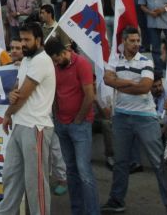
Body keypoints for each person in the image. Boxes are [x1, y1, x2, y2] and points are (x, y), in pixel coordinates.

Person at [101, 26, 167, 214]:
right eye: (132, 41)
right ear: (123, 41)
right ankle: (117, 201)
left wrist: (121, 84)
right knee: (121, 162)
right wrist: (132, 82)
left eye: (138, 40)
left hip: (146, 117)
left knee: (158, 162)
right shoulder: (114, 59)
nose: (136, 44)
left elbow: (145, 87)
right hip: (121, 116)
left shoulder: (145, 61)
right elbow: (107, 80)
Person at [0, 22, 56, 215]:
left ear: (38, 40)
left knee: (35, 183)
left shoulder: (41, 60)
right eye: (21, 39)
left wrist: (7, 113)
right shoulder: (26, 60)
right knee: (11, 177)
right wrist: (12, 95)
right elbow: (17, 89)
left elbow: (23, 95)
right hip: (21, 124)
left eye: (27, 40)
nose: (23, 43)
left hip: (35, 127)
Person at [45, 38, 98, 215]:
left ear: (63, 52)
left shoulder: (81, 64)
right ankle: (77, 210)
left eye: (57, 59)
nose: (56, 63)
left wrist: (79, 119)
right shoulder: (56, 66)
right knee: (72, 172)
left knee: (84, 172)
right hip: (63, 123)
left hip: (79, 125)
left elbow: (90, 96)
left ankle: (92, 212)